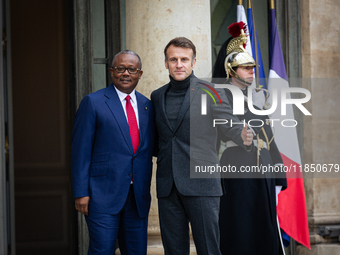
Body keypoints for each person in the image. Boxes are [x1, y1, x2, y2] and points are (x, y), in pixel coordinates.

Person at [151, 37, 254, 255]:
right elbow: (157, 140)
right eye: (173, 59)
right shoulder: (157, 96)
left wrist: (242, 134)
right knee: (173, 251)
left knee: (208, 249)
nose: (179, 64)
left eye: (184, 59)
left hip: (202, 184)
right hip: (168, 187)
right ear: (166, 63)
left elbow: (229, 124)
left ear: (193, 62)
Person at [213, 22, 287, 255]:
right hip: (237, 164)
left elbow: (268, 134)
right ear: (231, 70)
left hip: (262, 165)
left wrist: (278, 169)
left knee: (264, 228)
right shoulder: (221, 96)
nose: (252, 71)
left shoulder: (256, 98)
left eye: (252, 67)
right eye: (245, 67)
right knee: (241, 228)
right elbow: (225, 130)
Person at [71, 50, 155, 255]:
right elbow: (80, 151)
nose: (126, 73)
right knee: (102, 250)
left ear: (140, 74)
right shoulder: (93, 102)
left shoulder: (147, 106)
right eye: (120, 68)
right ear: (111, 72)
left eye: (131, 69)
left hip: (137, 198)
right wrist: (81, 192)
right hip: (102, 195)